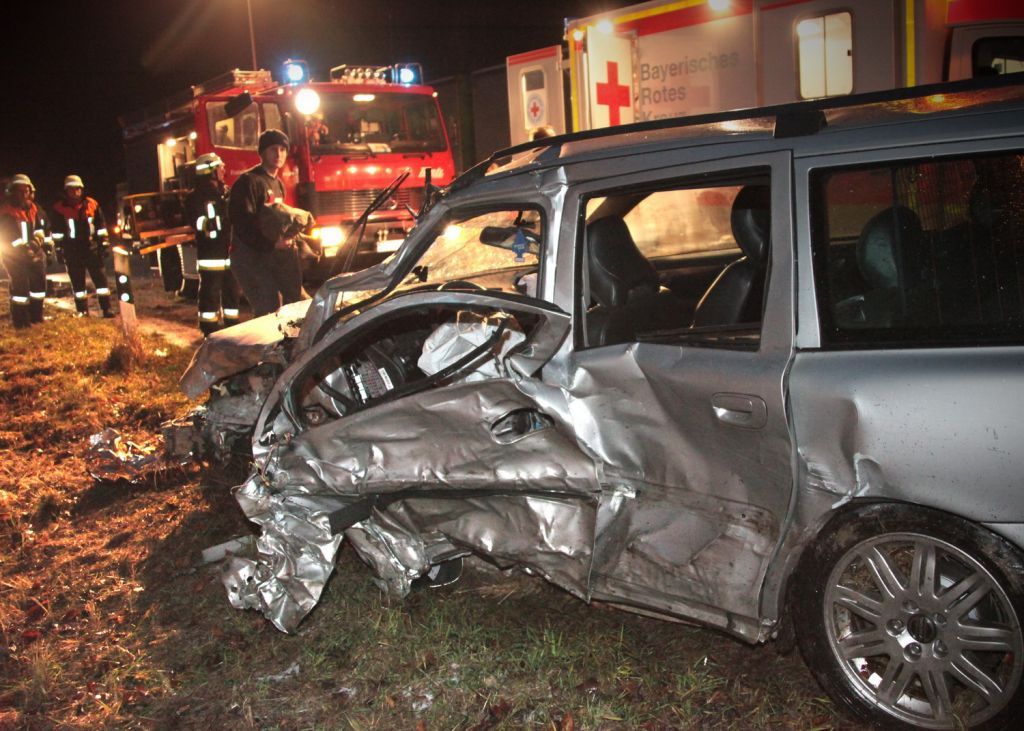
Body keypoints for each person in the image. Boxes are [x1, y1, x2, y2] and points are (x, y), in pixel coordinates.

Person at [228, 128, 310, 316]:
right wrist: (272, 244)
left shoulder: (278, 184)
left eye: (282, 149)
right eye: (273, 149)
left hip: (269, 255)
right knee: (267, 307)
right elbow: (242, 223)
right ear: (262, 153)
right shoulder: (249, 182)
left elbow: (277, 220)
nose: (278, 154)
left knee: (293, 301)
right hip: (249, 256)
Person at [186, 152, 241, 335]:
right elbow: (195, 220)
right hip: (210, 252)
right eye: (220, 168)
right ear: (210, 171)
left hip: (228, 250)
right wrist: (210, 223)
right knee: (210, 292)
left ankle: (232, 323)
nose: (223, 170)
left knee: (232, 290)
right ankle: (209, 328)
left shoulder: (225, 191)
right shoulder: (196, 196)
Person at [52, 175, 113, 317]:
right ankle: (82, 311)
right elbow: (56, 232)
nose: (75, 192)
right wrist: (59, 250)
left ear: (82, 189)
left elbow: (101, 225)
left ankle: (106, 309)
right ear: (66, 191)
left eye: (77, 189)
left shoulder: (92, 204)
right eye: (71, 189)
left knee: (101, 282)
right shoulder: (59, 209)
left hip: (91, 249)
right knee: (78, 285)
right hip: (72, 251)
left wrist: (104, 244)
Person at [0, 174, 49, 328]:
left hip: (35, 254)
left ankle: (36, 317)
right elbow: (8, 235)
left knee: (38, 288)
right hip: (14, 257)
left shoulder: (35, 209)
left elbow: (43, 228)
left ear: (31, 192)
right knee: (20, 289)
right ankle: (20, 322)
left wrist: (39, 244)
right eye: (19, 191)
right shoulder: (5, 211)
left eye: (26, 191)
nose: (23, 195)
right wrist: (24, 248)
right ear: (11, 192)